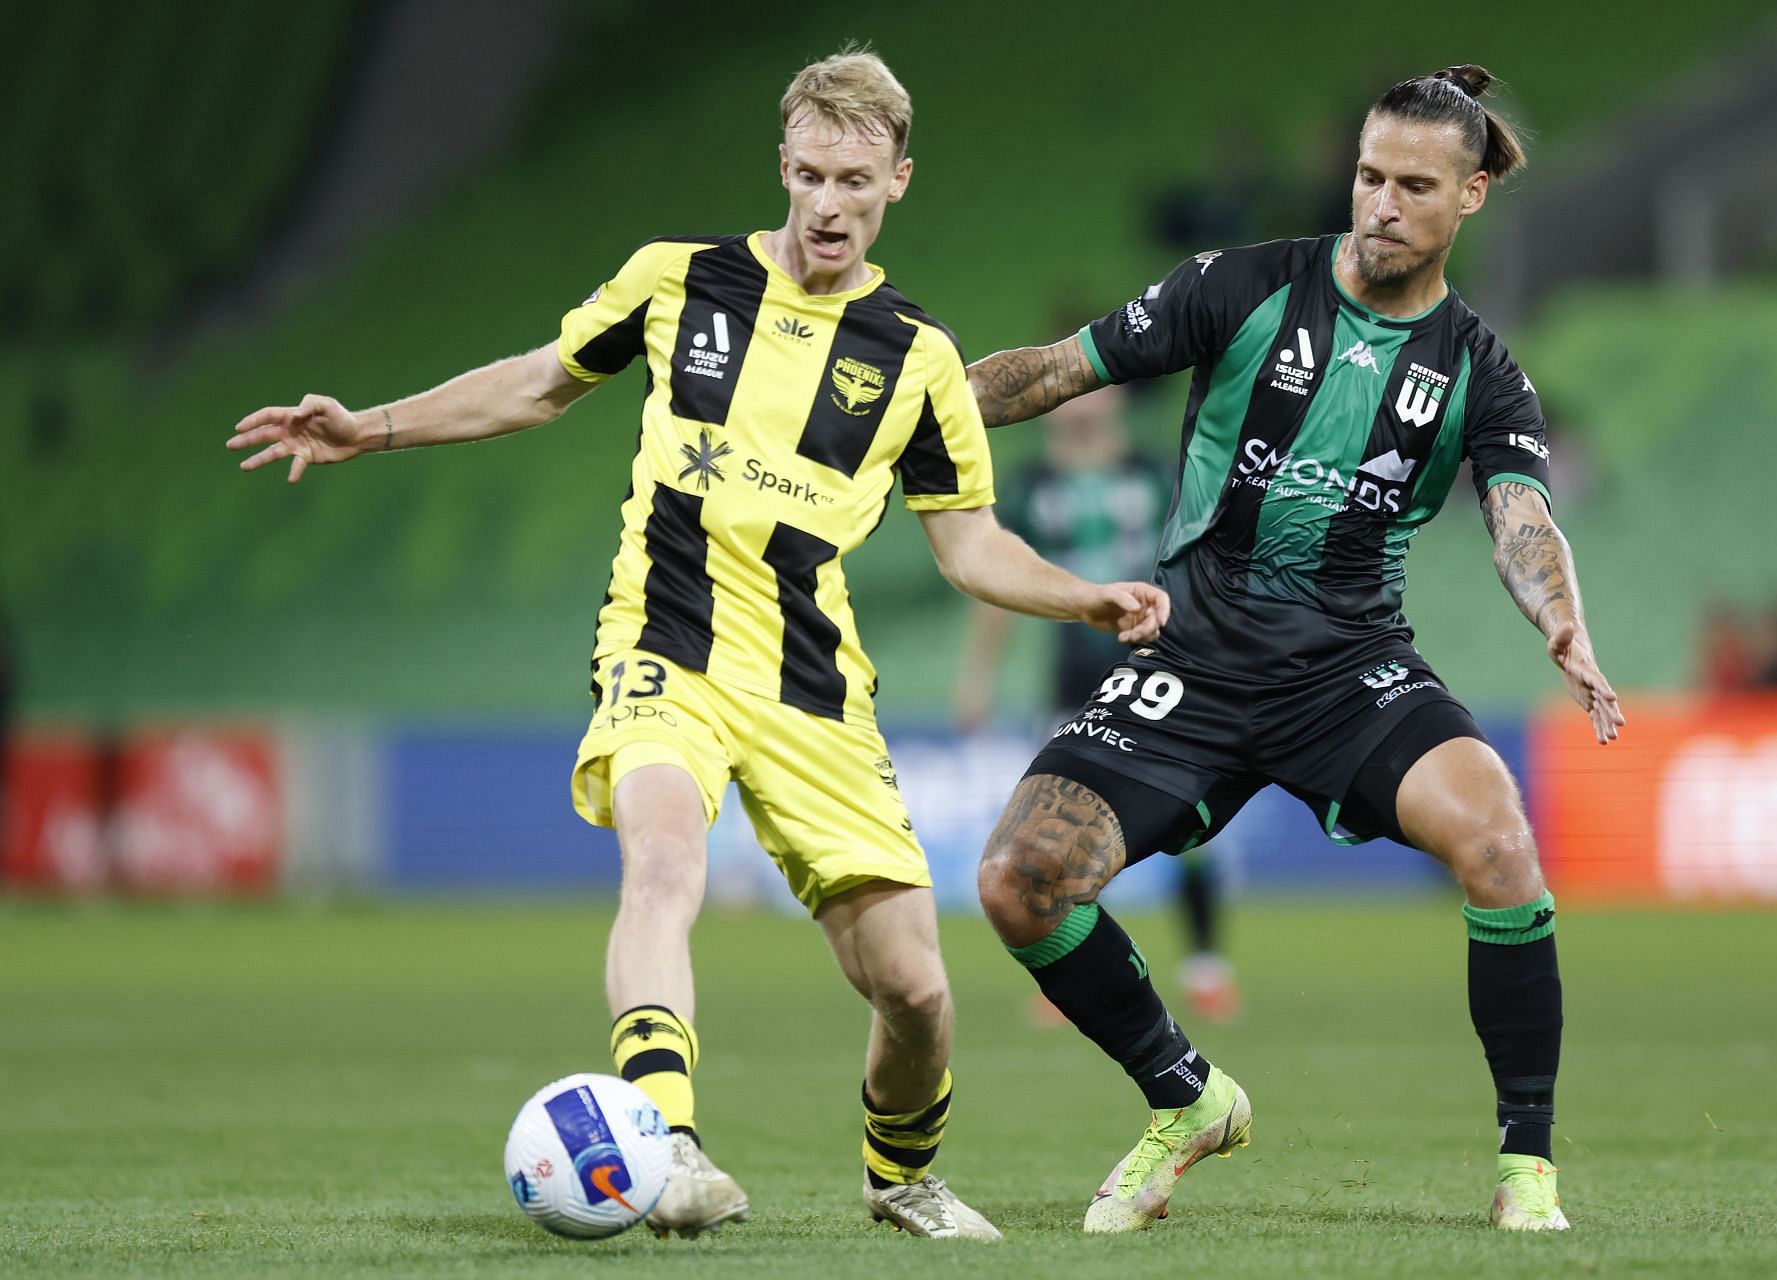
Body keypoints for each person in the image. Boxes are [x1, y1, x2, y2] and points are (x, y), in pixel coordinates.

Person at [227, 47, 1168, 1241]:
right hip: (664, 646)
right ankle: (665, 1141)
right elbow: (534, 383)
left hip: (815, 689)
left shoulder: (918, 359)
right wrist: (375, 427)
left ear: (900, 182)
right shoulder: (678, 282)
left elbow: (973, 547)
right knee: (665, 862)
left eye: (857, 180)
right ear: (783, 163)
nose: (830, 202)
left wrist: (1083, 596)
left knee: (917, 988)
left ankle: (900, 1177)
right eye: (813, 172)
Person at [965, 65, 1624, 1234]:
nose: (1380, 202)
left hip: (1350, 670)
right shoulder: (1242, 286)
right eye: (1369, 174)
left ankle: (1529, 1165)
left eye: (1414, 185)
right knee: (1018, 881)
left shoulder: (1479, 366)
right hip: (1197, 654)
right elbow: (1060, 367)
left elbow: (1524, 517)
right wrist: (916, 412)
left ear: (1469, 197)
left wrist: (1559, 615)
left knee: (1500, 840)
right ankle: (1190, 1097)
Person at [951, 381, 1241, 1023]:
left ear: (1116, 400)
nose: (1083, 404)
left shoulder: (1157, 475)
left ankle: (1206, 967)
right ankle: (1073, 974)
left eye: (1097, 393)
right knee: (1060, 833)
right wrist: (978, 677)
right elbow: (996, 582)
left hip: (1165, 671)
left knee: (1195, 830)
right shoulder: (1030, 486)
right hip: (1073, 680)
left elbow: (1203, 566)